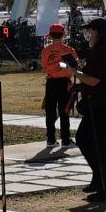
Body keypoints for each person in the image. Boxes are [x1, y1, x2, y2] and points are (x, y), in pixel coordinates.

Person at [74, 18, 106, 203]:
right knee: (85, 140)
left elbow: (93, 80)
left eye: (91, 30)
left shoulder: (101, 51)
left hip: (102, 103)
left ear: (98, 32)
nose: (89, 34)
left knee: (100, 148)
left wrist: (73, 71)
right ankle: (98, 179)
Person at [40, 23, 77, 151]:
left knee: (50, 111)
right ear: (63, 35)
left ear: (50, 36)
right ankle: (65, 139)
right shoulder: (69, 50)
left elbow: (44, 66)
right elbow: (75, 68)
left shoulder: (46, 50)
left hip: (51, 82)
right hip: (65, 83)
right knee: (64, 111)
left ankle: (50, 139)